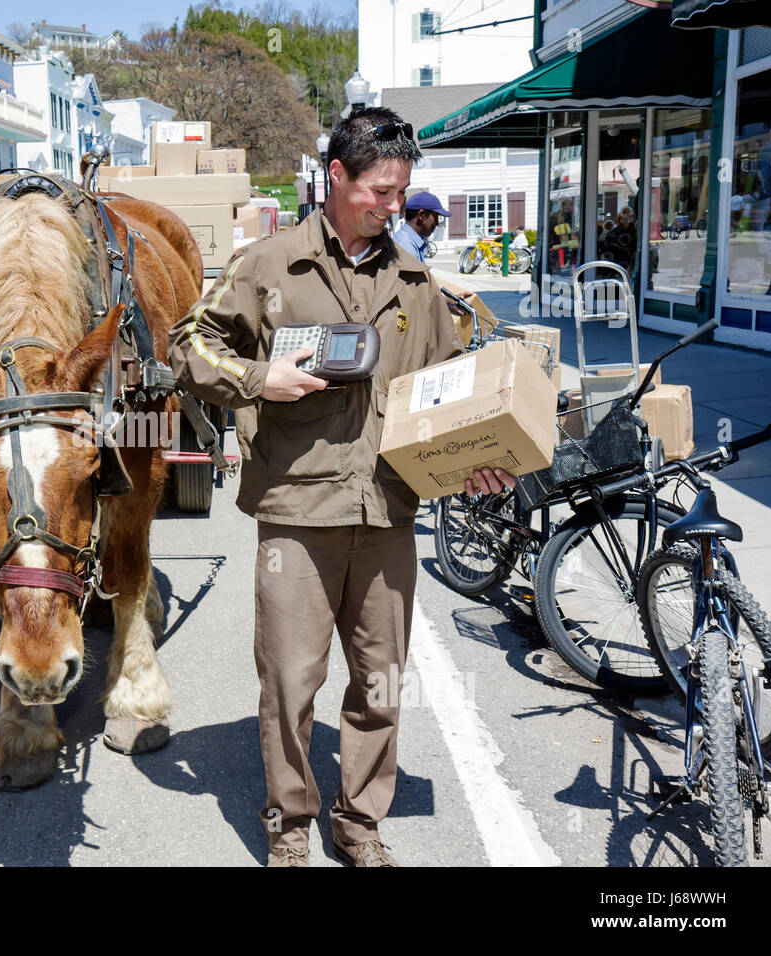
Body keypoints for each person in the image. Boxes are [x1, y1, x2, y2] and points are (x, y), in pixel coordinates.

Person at [168, 106, 517, 868]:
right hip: (298, 510)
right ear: (337, 176)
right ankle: (290, 829)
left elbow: (447, 394)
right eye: (382, 192)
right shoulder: (270, 265)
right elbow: (187, 344)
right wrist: (263, 379)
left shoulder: (416, 279)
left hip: (389, 509)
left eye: (403, 193)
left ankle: (359, 825)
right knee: (291, 683)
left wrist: (474, 457)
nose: (396, 208)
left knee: (382, 683)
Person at [392, 191, 450, 262]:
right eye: (435, 217)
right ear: (421, 215)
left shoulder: (410, 240)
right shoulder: (407, 247)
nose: (437, 223)